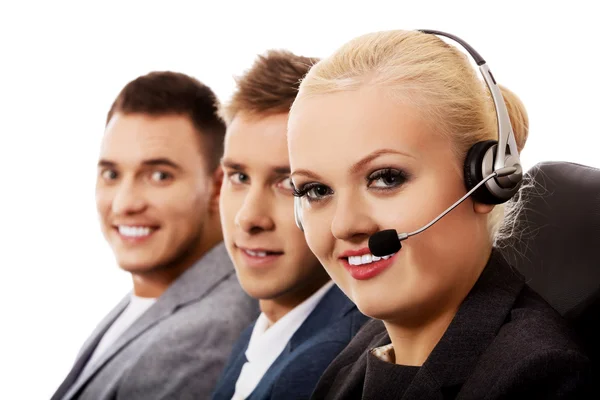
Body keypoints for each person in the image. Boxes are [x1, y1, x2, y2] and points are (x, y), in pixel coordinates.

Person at [287, 30, 595, 399]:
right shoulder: (363, 351)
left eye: (386, 178)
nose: (344, 225)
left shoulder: (539, 377)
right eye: (316, 190)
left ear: (488, 180)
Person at [51, 71, 259, 400]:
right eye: (111, 173)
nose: (124, 203)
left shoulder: (198, 340)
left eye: (159, 175)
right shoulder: (157, 291)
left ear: (218, 186)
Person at [211, 50, 369, 400]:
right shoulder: (267, 328)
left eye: (288, 184)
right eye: (238, 176)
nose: (249, 218)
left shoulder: (325, 367)